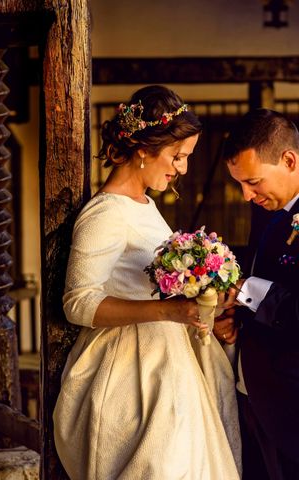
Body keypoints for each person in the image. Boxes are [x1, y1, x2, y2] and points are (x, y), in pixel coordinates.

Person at [53, 85, 241, 480]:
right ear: (144, 148)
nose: (183, 169)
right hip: (131, 368)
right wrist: (169, 310)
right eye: (178, 156)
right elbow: (79, 303)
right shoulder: (105, 213)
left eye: (187, 158)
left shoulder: (147, 205)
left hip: (169, 358)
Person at [213, 108, 299, 480]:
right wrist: (235, 318)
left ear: (289, 159)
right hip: (257, 399)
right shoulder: (270, 209)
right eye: (240, 185)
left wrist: (245, 290)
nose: (247, 195)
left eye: (253, 181)